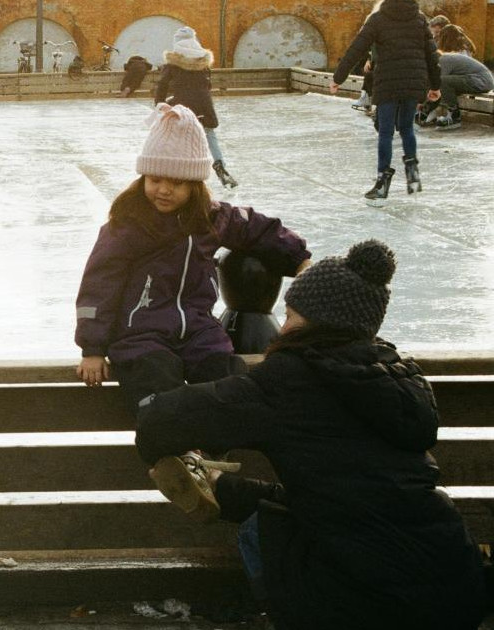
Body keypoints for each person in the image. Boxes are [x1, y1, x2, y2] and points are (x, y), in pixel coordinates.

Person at [133, 240, 487, 630]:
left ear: (315, 322)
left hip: (366, 606)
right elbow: (345, 500)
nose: (281, 329)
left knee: (261, 532)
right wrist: (222, 488)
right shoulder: (398, 377)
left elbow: (160, 421)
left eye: (289, 316)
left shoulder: (291, 378)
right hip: (455, 586)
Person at [75, 104, 310, 513]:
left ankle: (199, 459)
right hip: (140, 331)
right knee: (156, 377)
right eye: (155, 179)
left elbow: (260, 228)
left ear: (196, 184)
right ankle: (172, 458)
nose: (163, 190)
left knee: (226, 372)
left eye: (177, 182)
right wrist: (92, 347)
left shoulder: (211, 219)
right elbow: (98, 285)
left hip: (198, 327)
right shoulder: (127, 225)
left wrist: (298, 259)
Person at [332, 0, 441, 203]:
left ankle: (382, 184)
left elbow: (357, 48)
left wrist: (338, 77)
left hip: (388, 82)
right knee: (407, 128)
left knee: (385, 132)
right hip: (413, 82)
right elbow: (431, 55)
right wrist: (435, 86)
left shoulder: (378, 19)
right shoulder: (419, 19)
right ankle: (413, 175)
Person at [154, 27, 237, 188]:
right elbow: (208, 85)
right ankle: (220, 165)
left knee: (177, 133)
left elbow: (162, 84)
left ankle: (180, 170)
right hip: (204, 104)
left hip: (182, 103)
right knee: (209, 133)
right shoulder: (203, 62)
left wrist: (160, 102)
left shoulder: (173, 63)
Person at [430, 49, 493, 130]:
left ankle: (454, 116)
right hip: (479, 80)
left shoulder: (442, 61)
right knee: (445, 83)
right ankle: (449, 115)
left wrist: (426, 108)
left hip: (481, 80)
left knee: (442, 81)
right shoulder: (444, 58)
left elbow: (436, 86)